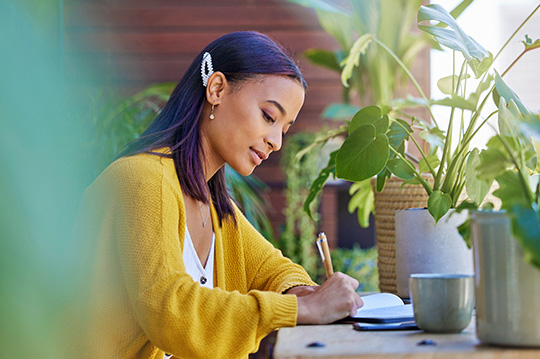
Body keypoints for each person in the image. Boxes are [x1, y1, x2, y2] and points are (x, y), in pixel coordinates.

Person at [76, 31, 362, 359]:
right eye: (269, 116)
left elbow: (272, 269)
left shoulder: (215, 205)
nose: (276, 141)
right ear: (217, 89)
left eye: (284, 129)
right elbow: (172, 312)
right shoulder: (144, 180)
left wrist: (304, 293)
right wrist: (300, 307)